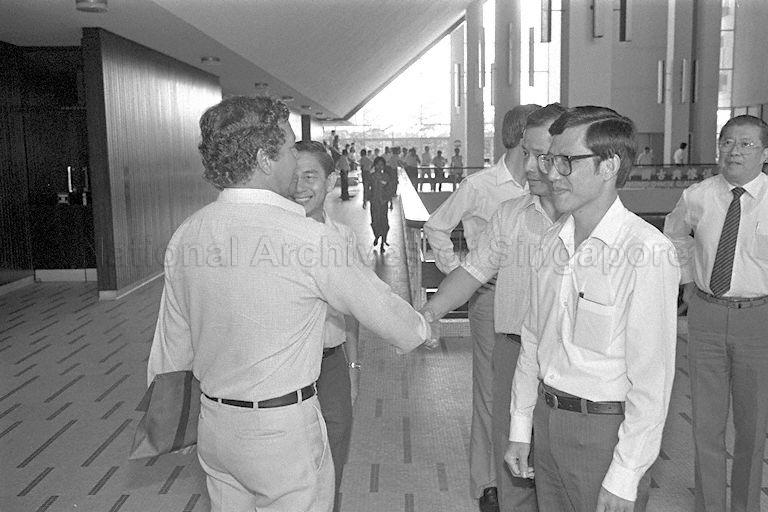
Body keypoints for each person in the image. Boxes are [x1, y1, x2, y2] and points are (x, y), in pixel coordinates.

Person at [147, 96, 433, 512]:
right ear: (265, 159)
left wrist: (165, 422)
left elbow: (171, 344)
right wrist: (423, 325)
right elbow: (385, 312)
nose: (292, 157)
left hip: (215, 427)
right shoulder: (309, 238)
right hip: (281, 432)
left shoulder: (188, 234)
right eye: (287, 148)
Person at [505, 106, 680, 512]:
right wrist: (521, 427)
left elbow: (652, 381)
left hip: (603, 432)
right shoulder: (553, 242)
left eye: (567, 161)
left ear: (608, 166)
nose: (551, 173)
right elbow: (532, 342)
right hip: (548, 423)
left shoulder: (645, 251)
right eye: (551, 159)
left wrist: (626, 473)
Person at [423, 103, 565, 512]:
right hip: (505, 323)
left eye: (546, 156)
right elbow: (471, 267)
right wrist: (429, 314)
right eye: (530, 152)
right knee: (502, 416)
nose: (533, 165)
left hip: (564, 348)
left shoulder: (587, 218)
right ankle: (494, 487)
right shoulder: (506, 208)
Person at [664, 114, 768, 512]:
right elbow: (672, 235)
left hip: (758, 319)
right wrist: (689, 279)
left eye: (745, 144)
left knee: (752, 427)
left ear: (764, 153)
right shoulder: (697, 196)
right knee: (706, 426)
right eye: (727, 142)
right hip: (706, 316)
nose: (734, 151)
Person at [293, 140, 362, 501]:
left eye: (310, 175)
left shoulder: (343, 239)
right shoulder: (273, 239)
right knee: (293, 469)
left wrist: (352, 366)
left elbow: (353, 311)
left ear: (332, 179)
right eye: (294, 176)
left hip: (331, 364)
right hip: (285, 369)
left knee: (335, 454)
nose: (301, 186)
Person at [368, 156, 397, 252]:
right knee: (375, 222)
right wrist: (365, 200)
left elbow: (389, 190)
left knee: (384, 222)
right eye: (378, 164)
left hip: (383, 203)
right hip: (374, 203)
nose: (380, 166)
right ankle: (377, 236)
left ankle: (383, 242)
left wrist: (390, 202)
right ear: (375, 165)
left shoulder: (386, 177)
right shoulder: (371, 176)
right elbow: (367, 188)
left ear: (384, 166)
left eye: (382, 164)